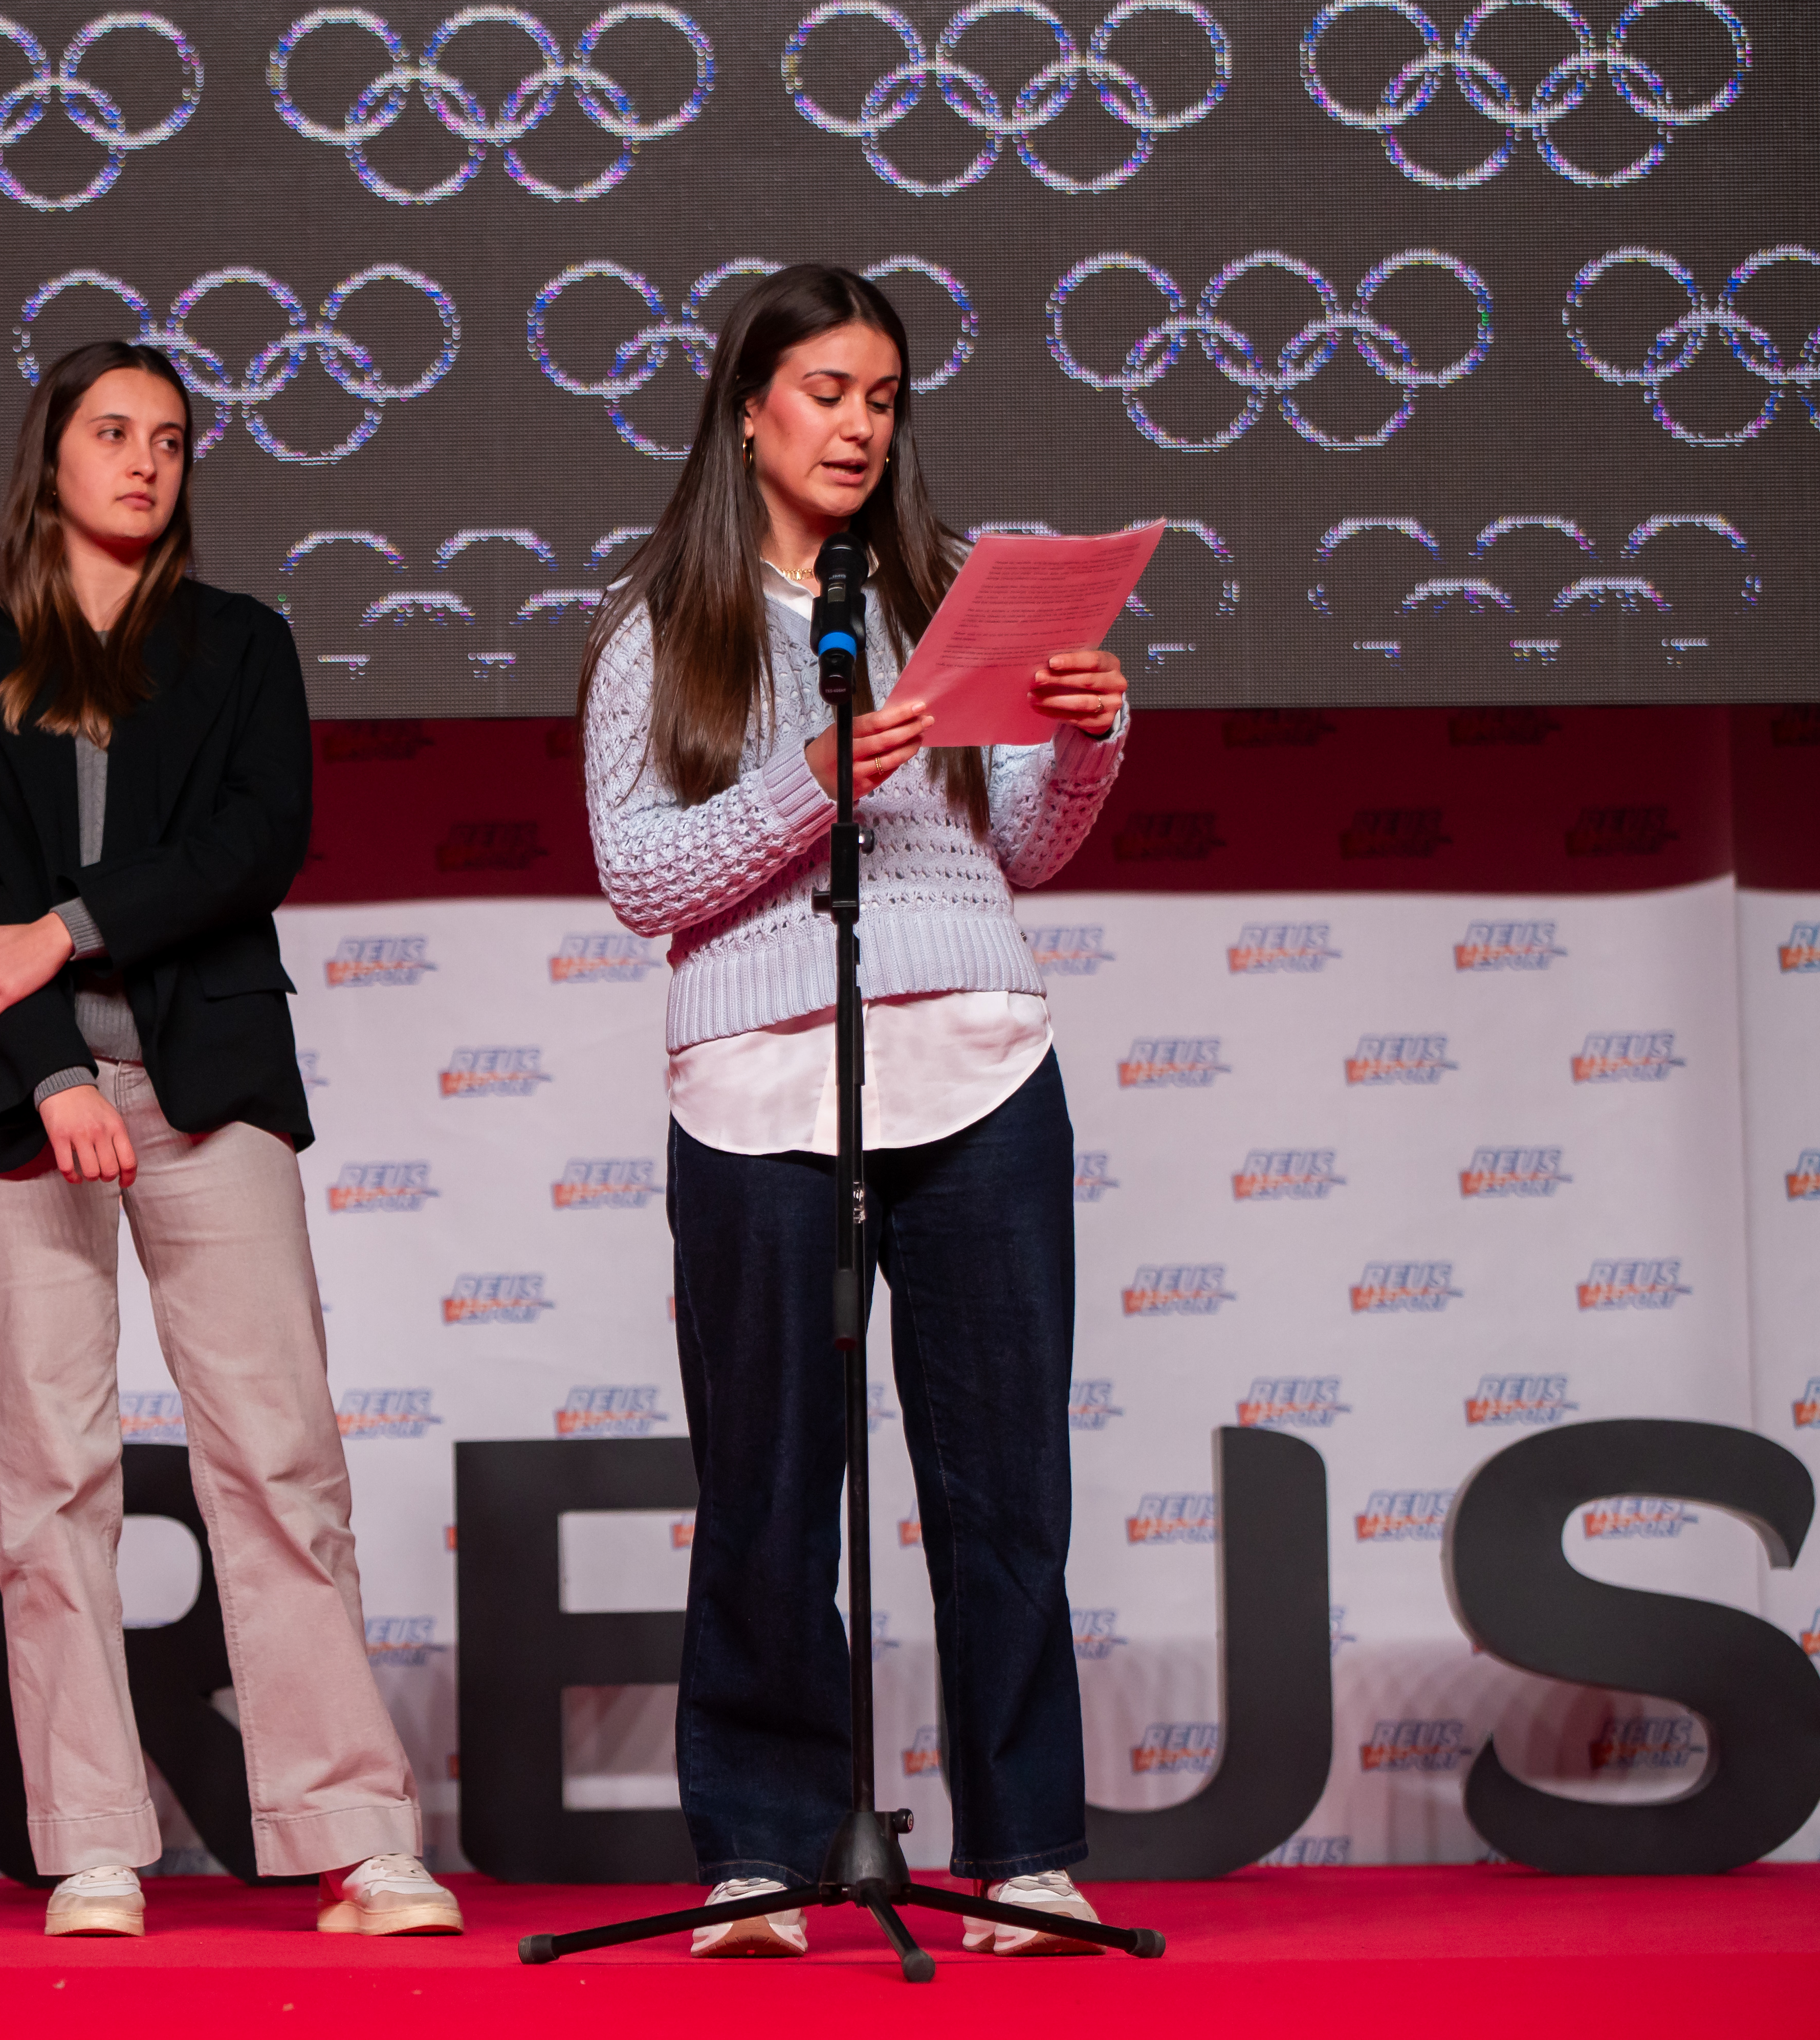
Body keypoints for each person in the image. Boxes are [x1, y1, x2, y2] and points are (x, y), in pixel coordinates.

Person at [579, 264, 1130, 1958]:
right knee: (765, 1484)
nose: (857, 426)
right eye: (826, 391)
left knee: (1002, 1482)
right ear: (749, 407)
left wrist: (1094, 738)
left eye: (882, 397)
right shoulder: (660, 622)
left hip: (976, 1064)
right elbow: (637, 872)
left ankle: (1025, 1850)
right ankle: (762, 1847)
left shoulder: (951, 594)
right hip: (760, 1084)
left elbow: (1023, 845)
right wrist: (802, 785)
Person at [0, 339, 456, 1940]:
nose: (145, 460)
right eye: (111, 432)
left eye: (169, 439)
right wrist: (55, 1076)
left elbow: (251, 845)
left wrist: (67, 924)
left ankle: (357, 1834)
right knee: (51, 1475)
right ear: (51, 458)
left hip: (211, 1087)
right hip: (19, 1107)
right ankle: (92, 1840)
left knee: (281, 1458)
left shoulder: (242, 646)